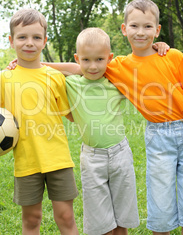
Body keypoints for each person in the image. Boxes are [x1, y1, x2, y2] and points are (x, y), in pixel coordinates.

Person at [34, 0, 183, 234]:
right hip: (158, 135)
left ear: (157, 30)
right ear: (124, 29)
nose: (140, 32)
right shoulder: (117, 65)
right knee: (160, 199)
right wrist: (37, 63)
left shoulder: (174, 56)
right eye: (134, 26)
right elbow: (79, 67)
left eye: (147, 27)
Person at [0, 8, 79, 235]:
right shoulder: (2, 78)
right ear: (11, 41)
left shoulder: (55, 78)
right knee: (31, 220)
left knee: (66, 217)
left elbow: (71, 113)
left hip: (59, 160)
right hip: (26, 163)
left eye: (36, 37)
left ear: (45, 41)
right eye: (22, 37)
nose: (29, 43)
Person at [66, 28, 139, 235]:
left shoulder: (116, 83)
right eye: (86, 60)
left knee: (121, 219)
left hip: (120, 154)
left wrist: (159, 46)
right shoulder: (71, 84)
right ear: (77, 59)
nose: (93, 66)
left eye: (99, 59)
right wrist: (42, 64)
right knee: (101, 222)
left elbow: (142, 64)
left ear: (110, 58)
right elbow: (49, 72)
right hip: (92, 159)